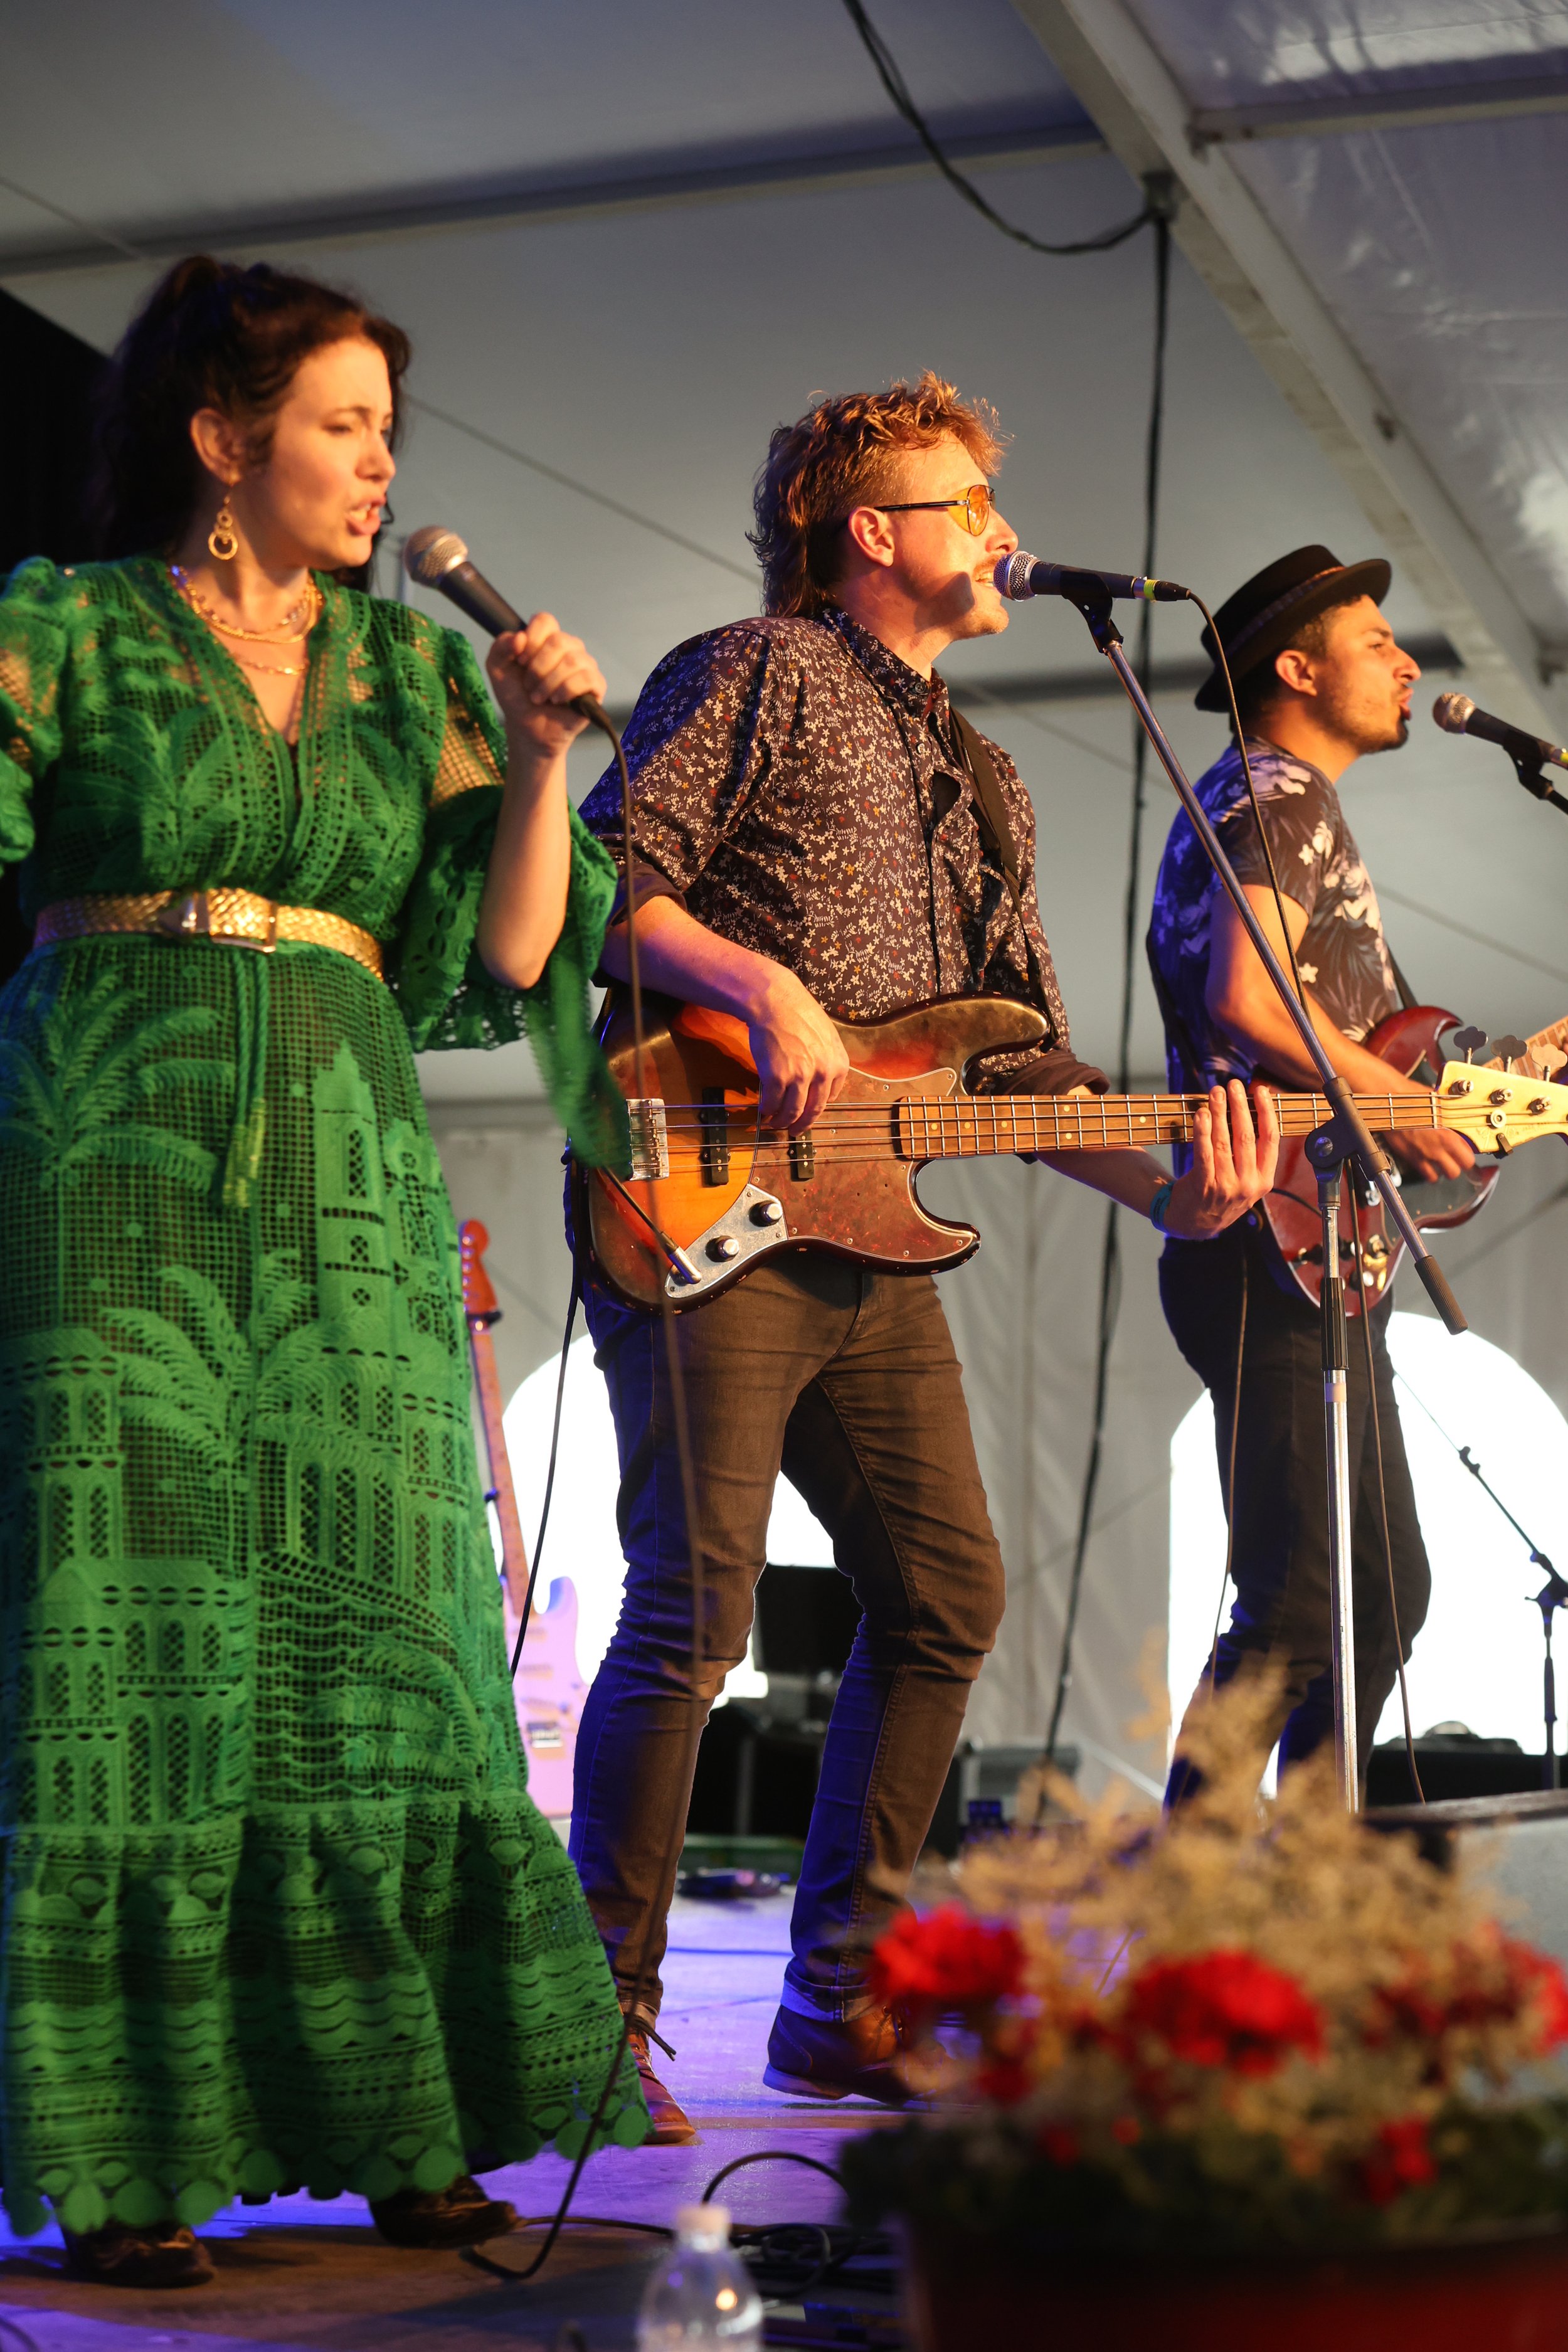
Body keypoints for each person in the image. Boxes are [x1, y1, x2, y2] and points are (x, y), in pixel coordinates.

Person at [0, 255, 644, 2288]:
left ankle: (412, 2114)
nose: (380, 468)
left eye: (388, 432)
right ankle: (124, 2162)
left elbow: (518, 960)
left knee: (385, 1632)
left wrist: (542, 756)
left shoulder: (418, 680)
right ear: (225, 439)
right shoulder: (65, 626)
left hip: (348, 1166)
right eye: (344, 425)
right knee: (133, 1629)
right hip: (109, 1142)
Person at [568, 374, 1278, 2143]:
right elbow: (605, 888)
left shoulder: (990, 772)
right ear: (868, 528)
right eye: (962, 500)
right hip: (707, 1189)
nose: (995, 529)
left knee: (948, 1588)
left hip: (875, 1233)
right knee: (693, 1603)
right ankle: (596, 2018)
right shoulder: (751, 668)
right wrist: (764, 982)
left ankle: (838, 1998)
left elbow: (1019, 1066)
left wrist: (1165, 1182)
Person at [1149, 544, 1475, 1801]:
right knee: (1296, 1604)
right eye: (1372, 642)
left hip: (1315, 1249)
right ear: (1294, 669)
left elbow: (1328, 1034)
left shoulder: (1275, 797)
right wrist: (1400, 1103)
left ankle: (1300, 1901)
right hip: (1258, 1244)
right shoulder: (1277, 792)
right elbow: (1245, 997)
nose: (1403, 662)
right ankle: (1194, 1913)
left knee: (1375, 1595)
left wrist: (1460, 1088)